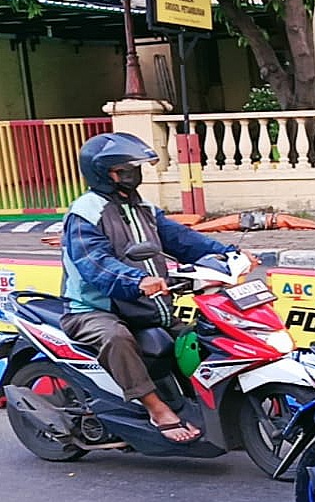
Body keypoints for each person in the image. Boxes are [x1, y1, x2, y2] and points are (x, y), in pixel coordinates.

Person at [61, 133, 240, 443]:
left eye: (136, 169)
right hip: (94, 310)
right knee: (117, 339)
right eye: (126, 170)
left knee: (196, 339)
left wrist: (228, 253)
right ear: (103, 173)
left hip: (146, 305)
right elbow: (94, 263)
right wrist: (136, 281)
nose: (135, 176)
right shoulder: (85, 213)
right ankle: (156, 408)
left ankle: (208, 407)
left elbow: (183, 240)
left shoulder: (143, 207)